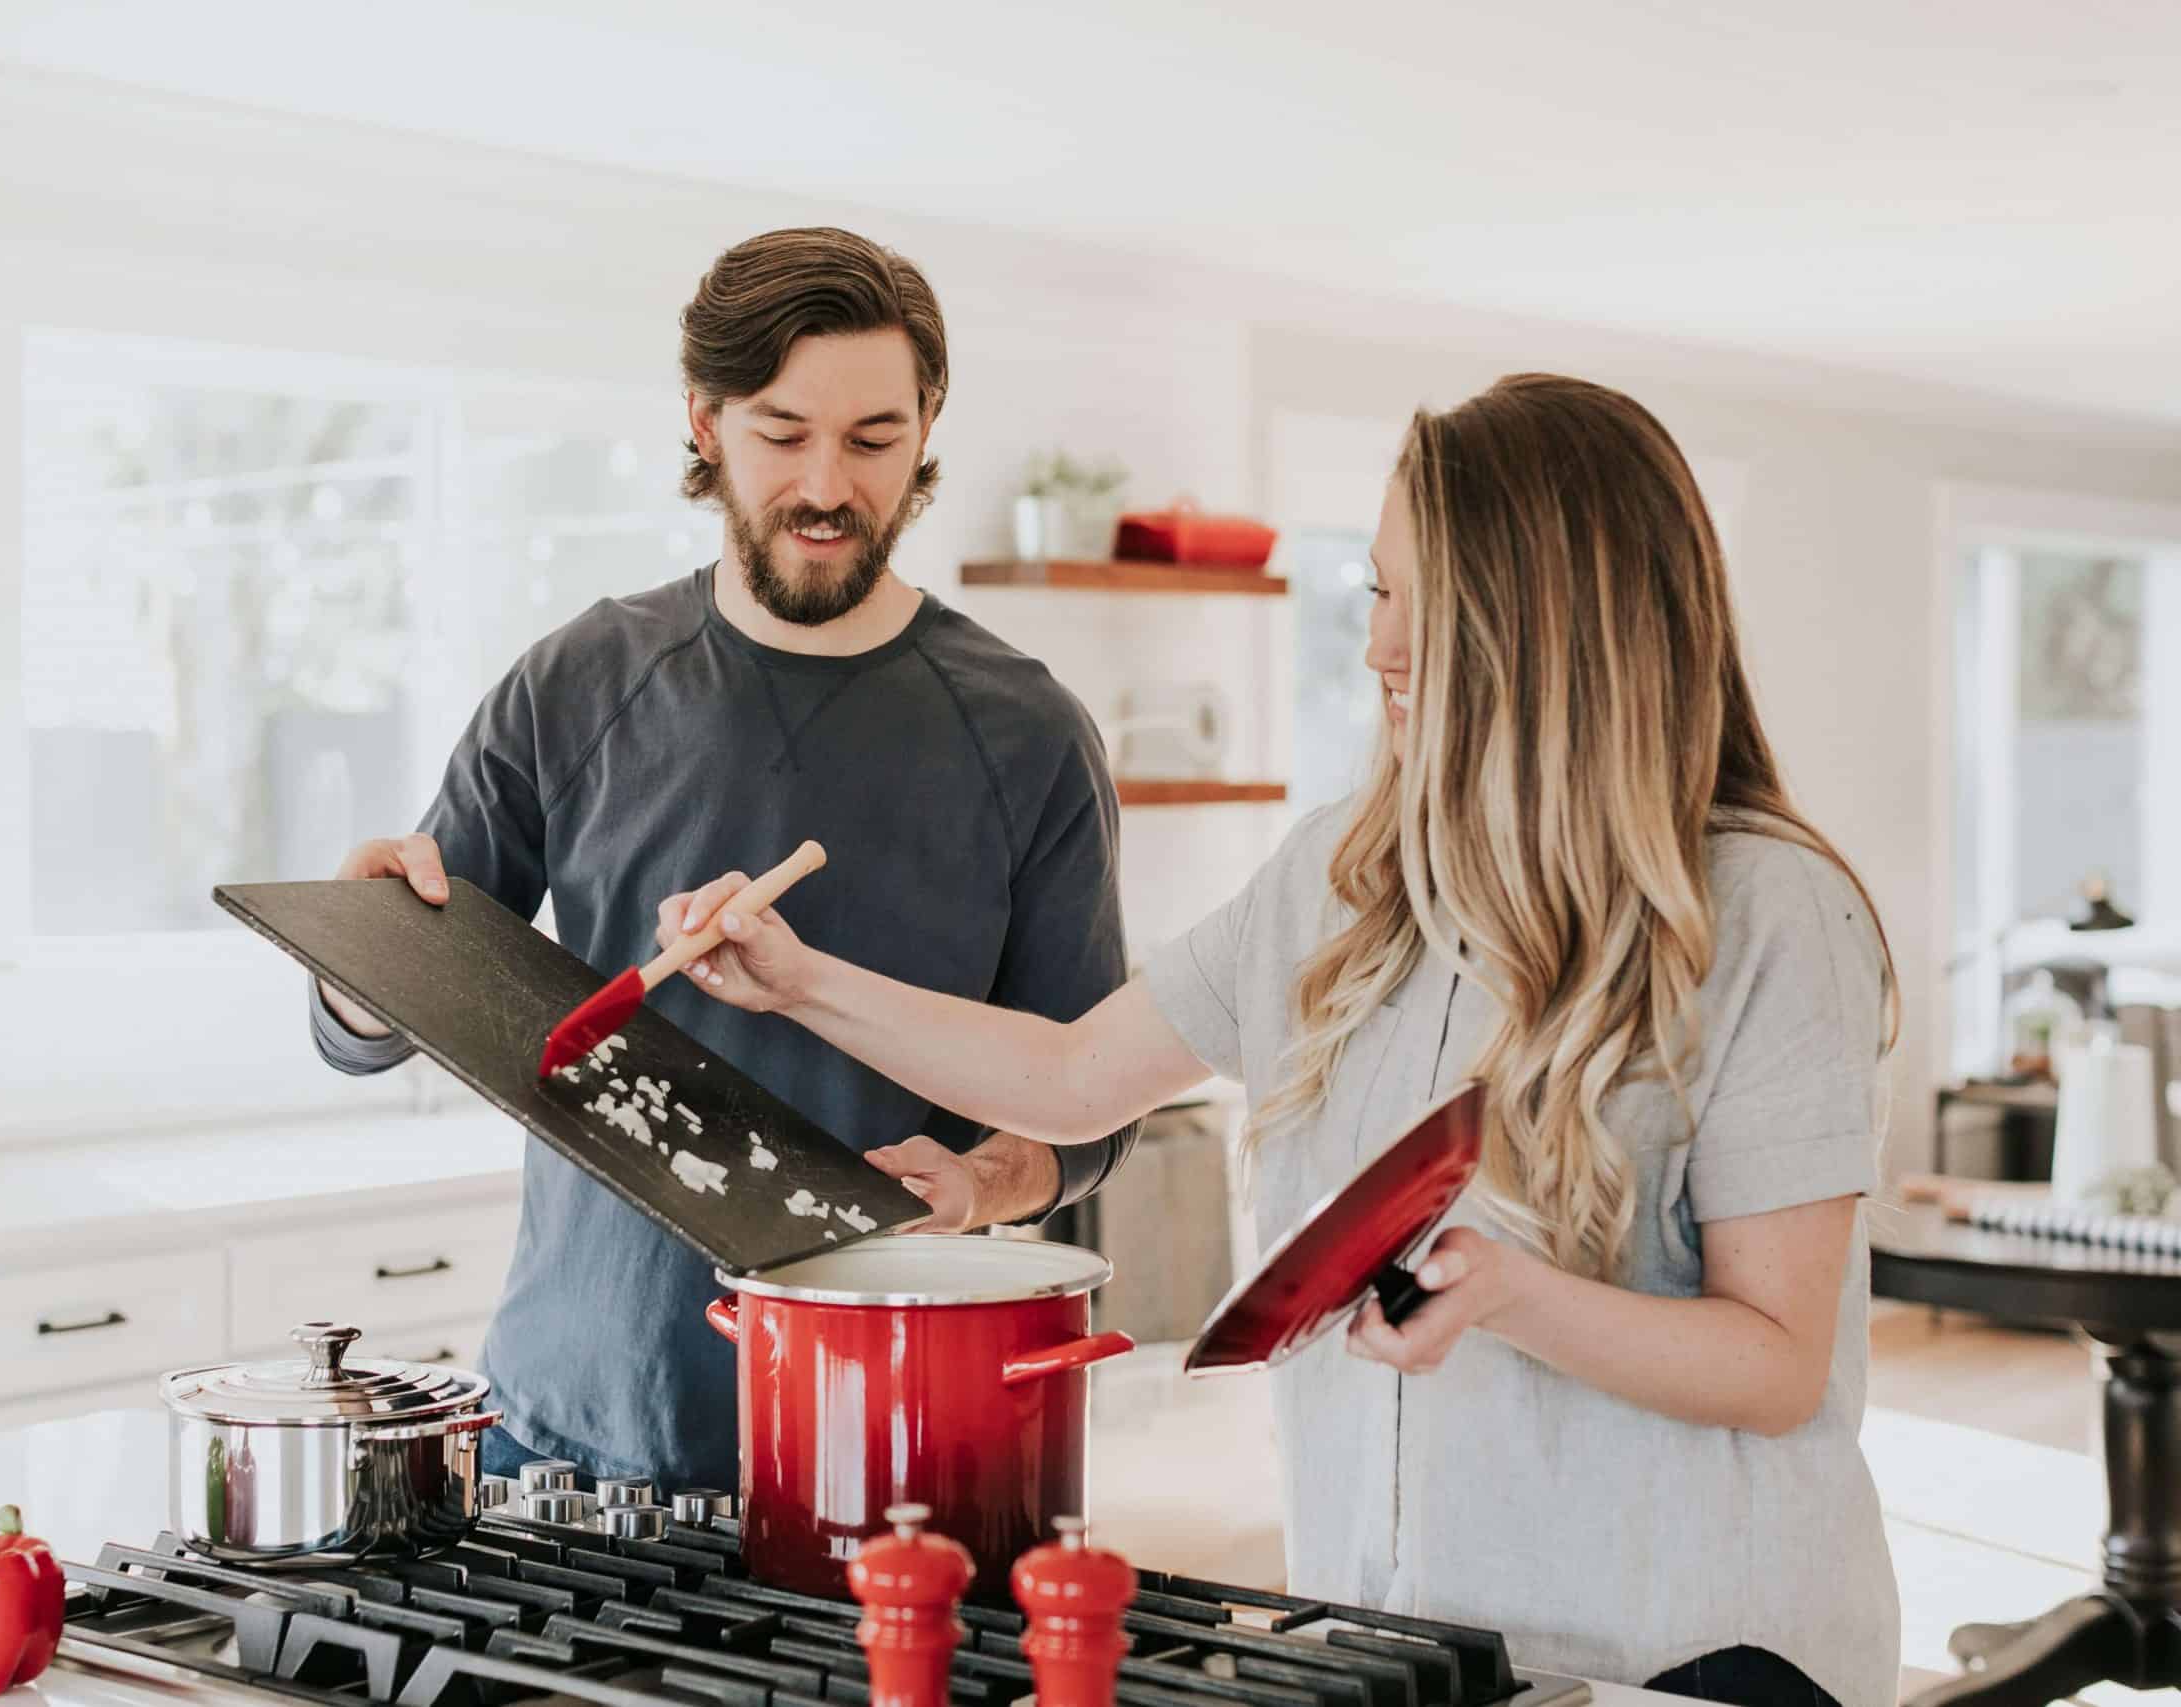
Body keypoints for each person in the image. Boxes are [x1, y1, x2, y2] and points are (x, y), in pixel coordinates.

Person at [661, 374, 1900, 1706]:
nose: (1382, 646)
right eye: (1375, 591)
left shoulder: (1770, 909)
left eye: (1431, 602)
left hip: (1694, 1658)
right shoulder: (1340, 879)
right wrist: (798, 981)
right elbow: (1075, 1074)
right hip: (1406, 1652)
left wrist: (1514, 1292)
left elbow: (1778, 1361)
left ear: (1559, 626)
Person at [308, 226, 1139, 1495]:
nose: (826, 484)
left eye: (872, 440)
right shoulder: (576, 682)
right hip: (565, 1430)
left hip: (892, 1440)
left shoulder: (1027, 735)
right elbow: (388, 1007)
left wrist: (982, 1182)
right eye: (781, 432)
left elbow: (1090, 1110)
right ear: (704, 420)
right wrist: (357, 963)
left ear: (926, 429)